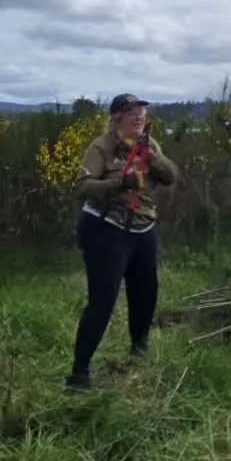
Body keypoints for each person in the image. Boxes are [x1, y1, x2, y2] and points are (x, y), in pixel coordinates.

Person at [65, 94, 179, 392]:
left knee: (146, 293)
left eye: (142, 111)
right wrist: (119, 182)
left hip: (143, 228)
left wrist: (150, 156)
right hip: (106, 228)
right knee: (102, 301)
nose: (138, 116)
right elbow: (82, 188)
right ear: (117, 118)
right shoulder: (101, 147)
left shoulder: (149, 145)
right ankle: (79, 374)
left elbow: (170, 176)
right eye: (131, 112)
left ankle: (138, 353)